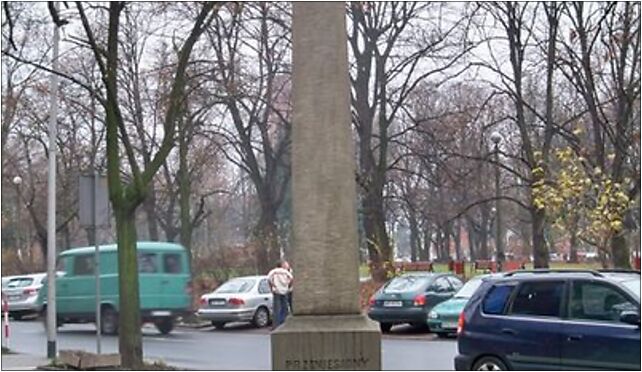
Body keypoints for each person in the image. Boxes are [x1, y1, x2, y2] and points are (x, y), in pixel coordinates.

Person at [267, 260, 293, 329]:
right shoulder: (285, 272)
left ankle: (276, 325)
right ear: (282, 265)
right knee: (285, 308)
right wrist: (287, 285)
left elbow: (269, 279)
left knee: (276, 309)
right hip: (284, 291)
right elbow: (291, 278)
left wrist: (272, 286)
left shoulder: (273, 271)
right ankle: (284, 324)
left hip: (276, 291)